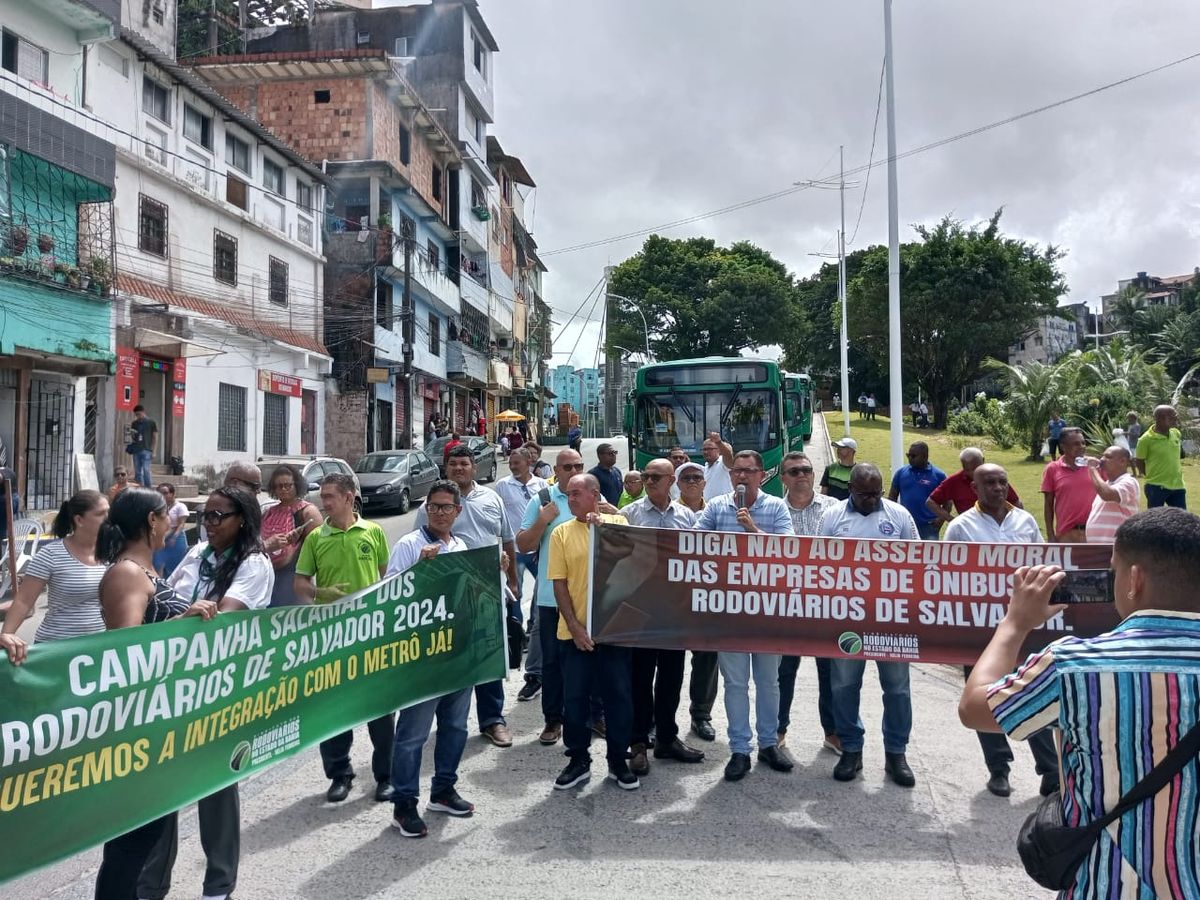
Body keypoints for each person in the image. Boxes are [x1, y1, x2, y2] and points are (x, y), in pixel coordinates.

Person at [960, 507, 1200, 899]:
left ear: (1133, 580)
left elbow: (975, 707)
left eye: (1114, 571)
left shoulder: (1074, 665)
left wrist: (1015, 623)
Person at [138, 487, 273, 900]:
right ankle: (151, 885)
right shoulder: (197, 554)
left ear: (243, 520)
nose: (210, 525)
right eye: (206, 517)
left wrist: (181, 615)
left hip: (220, 688)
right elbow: (166, 598)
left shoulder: (255, 565)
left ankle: (218, 885)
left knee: (215, 785)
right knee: (164, 787)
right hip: (175, 684)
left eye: (219, 517)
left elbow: (220, 620)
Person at [91, 488, 217, 899]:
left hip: (159, 720)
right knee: (133, 841)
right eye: (166, 515)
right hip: (136, 725)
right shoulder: (127, 573)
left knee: (149, 834)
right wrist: (184, 618)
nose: (172, 522)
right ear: (151, 521)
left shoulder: (147, 571)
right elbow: (126, 648)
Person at [944, 464, 1060, 799]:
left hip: (1024, 626)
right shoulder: (961, 527)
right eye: (990, 483)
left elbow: (1041, 566)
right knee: (986, 697)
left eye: (1002, 482)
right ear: (974, 487)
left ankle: (1050, 770)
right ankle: (998, 769)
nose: (997, 488)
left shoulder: (1024, 521)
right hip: (980, 628)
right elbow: (949, 577)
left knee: (1031, 692)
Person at [294, 473, 395, 803]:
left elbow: (384, 578)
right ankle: (340, 774)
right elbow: (301, 584)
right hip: (332, 636)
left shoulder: (374, 532)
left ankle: (385, 775)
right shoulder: (316, 538)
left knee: (381, 709)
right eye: (322, 496)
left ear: (350, 498)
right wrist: (321, 591)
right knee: (335, 709)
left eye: (329, 497)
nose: (323, 503)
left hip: (370, 633)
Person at [386, 480, 478, 838]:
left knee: (455, 728)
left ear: (459, 511)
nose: (440, 513)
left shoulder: (462, 545)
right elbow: (391, 596)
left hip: (456, 656)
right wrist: (418, 572)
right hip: (422, 658)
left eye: (447, 507)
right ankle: (404, 804)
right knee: (412, 736)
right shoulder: (411, 545)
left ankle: (442, 791)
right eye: (434, 507)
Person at [696, 450, 794, 782]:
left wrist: (752, 530)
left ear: (761, 475)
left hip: (767, 611)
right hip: (729, 611)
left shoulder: (776, 507)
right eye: (736, 471)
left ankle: (769, 744)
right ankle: (740, 750)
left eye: (748, 472)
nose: (741, 477)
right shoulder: (717, 506)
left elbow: (788, 553)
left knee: (769, 682)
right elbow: (692, 542)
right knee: (735, 683)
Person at [820, 464, 919, 787]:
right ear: (850, 489)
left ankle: (896, 753)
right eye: (865, 494)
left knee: (897, 688)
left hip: (891, 619)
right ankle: (851, 748)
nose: (872, 500)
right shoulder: (833, 517)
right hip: (846, 619)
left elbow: (919, 562)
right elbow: (817, 564)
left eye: (877, 493)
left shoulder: (899, 515)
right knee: (844, 686)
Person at [415, 445, 519, 747]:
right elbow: (418, 544)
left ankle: (492, 720)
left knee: (488, 656)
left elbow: (508, 539)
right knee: (449, 656)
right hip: (448, 596)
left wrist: (513, 580)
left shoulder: (492, 498)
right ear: (445, 468)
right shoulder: (431, 505)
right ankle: (447, 721)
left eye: (464, 463)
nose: (459, 468)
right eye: (453, 464)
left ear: (474, 467)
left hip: (487, 589)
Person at [548, 474, 638, 791]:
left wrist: (607, 530)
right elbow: (559, 583)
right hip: (574, 635)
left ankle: (618, 760)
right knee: (574, 699)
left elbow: (634, 564)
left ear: (594, 494)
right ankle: (578, 760)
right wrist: (574, 626)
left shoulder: (618, 523)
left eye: (576, 493)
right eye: (568, 494)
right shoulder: (561, 533)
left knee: (618, 698)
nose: (570, 499)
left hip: (613, 631)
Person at [621, 459, 706, 776]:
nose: (648, 480)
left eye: (655, 476)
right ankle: (639, 743)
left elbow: (698, 561)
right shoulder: (629, 515)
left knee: (671, 679)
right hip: (640, 611)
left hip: (674, 612)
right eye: (645, 476)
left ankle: (668, 738)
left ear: (672, 480)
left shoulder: (687, 517)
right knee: (639, 680)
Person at [517, 449, 587, 746]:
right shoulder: (542, 500)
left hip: (587, 597)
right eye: (568, 467)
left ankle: (589, 717)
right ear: (556, 470)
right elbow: (523, 545)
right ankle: (553, 721)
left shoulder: (590, 497)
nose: (574, 470)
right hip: (550, 598)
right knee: (553, 663)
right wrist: (543, 521)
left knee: (588, 661)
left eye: (579, 465)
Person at [774, 452, 840, 758]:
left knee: (830, 671)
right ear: (783, 478)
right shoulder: (774, 511)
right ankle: (777, 730)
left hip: (827, 606)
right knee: (784, 671)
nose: (802, 475)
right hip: (787, 606)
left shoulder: (835, 508)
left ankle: (833, 732)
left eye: (807, 470)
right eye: (795, 471)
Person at [0, 490, 108, 664]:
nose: (108, 518)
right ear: (79, 520)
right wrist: (7, 635)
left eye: (108, 512)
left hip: (97, 649)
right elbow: (23, 601)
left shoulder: (110, 553)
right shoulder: (51, 554)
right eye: (101, 514)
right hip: (56, 650)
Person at [495, 446, 549, 702]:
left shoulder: (543, 486)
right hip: (515, 548)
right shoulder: (503, 486)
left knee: (545, 592)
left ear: (529, 462)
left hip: (539, 549)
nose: (514, 466)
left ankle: (534, 628)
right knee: (514, 592)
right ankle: (518, 636)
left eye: (518, 462)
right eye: (512, 463)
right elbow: (501, 519)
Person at [261, 463, 322, 607]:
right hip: (268, 579)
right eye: (279, 486)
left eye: (287, 485)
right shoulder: (268, 512)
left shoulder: (307, 512)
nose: (283, 489)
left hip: (294, 580)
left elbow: (319, 549)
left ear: (297, 485)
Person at [926, 447, 1022, 528]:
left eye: (976, 468)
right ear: (963, 466)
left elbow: (1016, 502)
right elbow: (931, 502)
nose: (973, 473)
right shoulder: (954, 481)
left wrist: (1015, 524)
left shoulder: (994, 479)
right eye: (968, 469)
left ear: (983, 461)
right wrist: (953, 520)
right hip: (969, 528)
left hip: (997, 526)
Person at [1040, 427, 1094, 542]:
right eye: (1076, 444)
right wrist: (1050, 535)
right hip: (1066, 534)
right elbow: (1048, 505)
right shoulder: (1052, 469)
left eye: (1083, 443)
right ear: (1063, 446)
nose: (1081, 447)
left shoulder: (1094, 466)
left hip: (1094, 532)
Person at [888, 441, 948, 540]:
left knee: (929, 554)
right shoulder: (901, 473)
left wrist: (940, 520)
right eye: (908, 455)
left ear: (925, 456)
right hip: (905, 524)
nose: (910, 459)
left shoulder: (939, 475)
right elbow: (892, 498)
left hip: (928, 527)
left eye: (913, 456)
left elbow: (948, 502)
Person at [1085, 445, 1139, 543]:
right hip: (1100, 549)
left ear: (1122, 461)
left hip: (1117, 547)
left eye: (1108, 457)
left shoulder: (1130, 482)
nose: (1102, 460)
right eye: (1102, 456)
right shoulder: (1106, 484)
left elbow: (1107, 494)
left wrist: (1092, 469)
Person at [1135, 404, 1186, 509]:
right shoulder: (1145, 440)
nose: (1176, 419)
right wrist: (1150, 475)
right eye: (1172, 417)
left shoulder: (1176, 433)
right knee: (1156, 521)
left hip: (1178, 485)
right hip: (1156, 487)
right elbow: (1139, 461)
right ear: (1160, 418)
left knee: (1182, 520)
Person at [153, 483, 190, 577]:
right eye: (160, 493)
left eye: (165, 493)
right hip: (162, 537)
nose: (163, 496)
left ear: (172, 494)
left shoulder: (180, 506)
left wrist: (174, 537)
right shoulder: (160, 508)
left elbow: (181, 524)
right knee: (157, 564)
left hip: (176, 538)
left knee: (174, 567)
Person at [128, 404, 158, 490]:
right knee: (137, 471)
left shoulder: (151, 422)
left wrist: (154, 450)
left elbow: (155, 436)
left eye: (139, 414)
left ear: (143, 412)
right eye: (136, 415)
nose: (138, 416)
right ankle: (140, 488)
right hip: (137, 449)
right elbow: (133, 437)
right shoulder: (134, 423)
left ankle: (148, 488)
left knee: (146, 470)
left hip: (147, 449)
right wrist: (132, 434)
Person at [701, 430, 734, 500]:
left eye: (710, 449)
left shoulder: (723, 463)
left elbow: (728, 455)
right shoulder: (705, 468)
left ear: (719, 450)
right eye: (704, 449)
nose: (706, 452)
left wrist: (719, 442)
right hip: (709, 507)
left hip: (724, 507)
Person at [588, 442, 623, 506]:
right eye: (610, 453)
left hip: (617, 512)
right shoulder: (592, 475)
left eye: (615, 452)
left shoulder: (617, 471)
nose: (614, 455)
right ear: (600, 456)